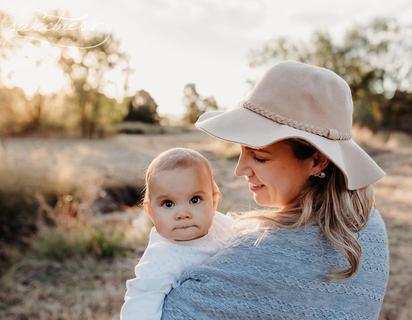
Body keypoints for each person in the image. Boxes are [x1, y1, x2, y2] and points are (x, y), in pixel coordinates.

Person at [161, 61, 390, 319]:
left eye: (259, 156)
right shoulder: (370, 224)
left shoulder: (260, 252)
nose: (240, 169)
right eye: (242, 150)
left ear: (316, 161)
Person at [120, 148, 235, 320]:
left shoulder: (221, 224)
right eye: (168, 204)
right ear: (151, 212)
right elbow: (140, 304)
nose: (182, 213)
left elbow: (245, 236)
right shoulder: (161, 257)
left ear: (214, 201)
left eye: (195, 200)